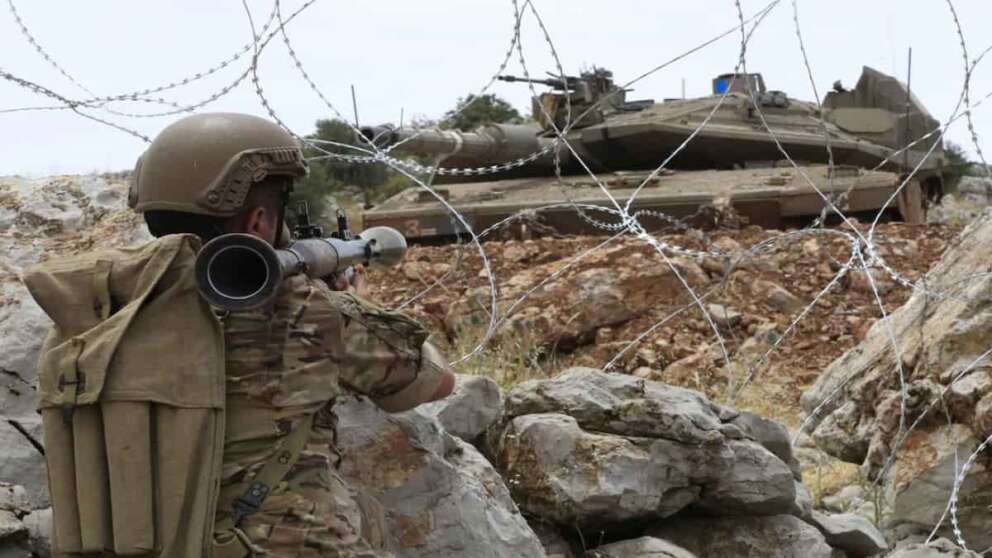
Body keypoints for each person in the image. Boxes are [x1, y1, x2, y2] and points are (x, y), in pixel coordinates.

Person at [130, 112, 456, 557]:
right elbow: (435, 382)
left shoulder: (104, 307)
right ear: (260, 221)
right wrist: (357, 304)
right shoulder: (307, 308)